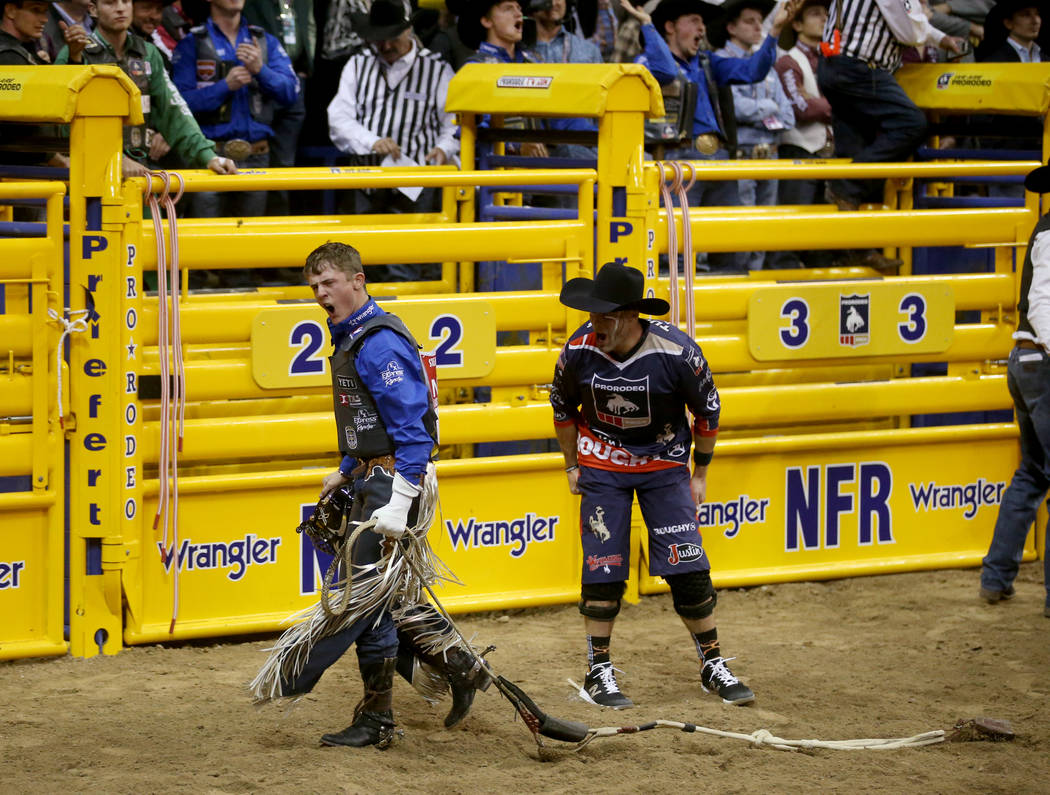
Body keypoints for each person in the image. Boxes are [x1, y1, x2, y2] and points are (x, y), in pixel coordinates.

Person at [250, 242, 492, 746]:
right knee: (385, 596)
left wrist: (398, 501)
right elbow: (374, 419)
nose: (320, 294)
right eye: (314, 286)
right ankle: (462, 669)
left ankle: (380, 717)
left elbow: (413, 431)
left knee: (366, 601)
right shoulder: (358, 337)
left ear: (357, 280)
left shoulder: (376, 343)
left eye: (329, 283)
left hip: (392, 483)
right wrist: (346, 469)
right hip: (375, 476)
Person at [550, 261, 754, 708]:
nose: (595, 323)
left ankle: (712, 664)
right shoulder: (578, 350)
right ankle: (598, 672)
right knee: (603, 569)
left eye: (605, 316)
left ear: (629, 317)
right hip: (602, 466)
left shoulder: (677, 353)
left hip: (665, 465)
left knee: (689, 566)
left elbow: (707, 414)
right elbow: (562, 408)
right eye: (591, 314)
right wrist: (571, 465)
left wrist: (700, 472)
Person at [622, 0, 796, 272]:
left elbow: (753, 71)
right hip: (675, 161)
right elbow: (667, 72)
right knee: (678, 245)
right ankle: (677, 308)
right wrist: (647, 26)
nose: (702, 28)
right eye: (693, 20)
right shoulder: (646, 62)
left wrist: (774, 31)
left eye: (702, 22)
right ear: (670, 26)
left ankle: (726, 304)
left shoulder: (707, 62)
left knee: (729, 242)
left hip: (718, 162)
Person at [327, 0, 458, 281]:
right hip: (366, 180)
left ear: (408, 31)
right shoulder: (358, 63)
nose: (385, 46)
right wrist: (371, 141)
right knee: (360, 267)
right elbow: (338, 118)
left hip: (416, 183)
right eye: (378, 39)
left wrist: (443, 148)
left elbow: (454, 125)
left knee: (408, 266)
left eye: (392, 38)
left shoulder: (437, 70)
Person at [979, 162, 1050, 620]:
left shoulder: (1044, 232)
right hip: (1041, 363)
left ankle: (997, 577)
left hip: (1027, 361)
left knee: (1034, 471)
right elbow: (1043, 304)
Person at [57, 0, 237, 178]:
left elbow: (173, 109)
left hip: (139, 168)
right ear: (93, 10)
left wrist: (208, 156)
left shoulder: (148, 53)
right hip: (89, 172)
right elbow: (62, 122)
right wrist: (112, 158)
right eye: (110, 3)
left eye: (125, 2)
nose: (120, 9)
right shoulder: (76, 52)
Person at [817, 0, 963, 213]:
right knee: (911, 124)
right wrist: (938, 37)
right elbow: (909, 32)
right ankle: (847, 184)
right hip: (860, 68)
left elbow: (906, 21)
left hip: (836, 66)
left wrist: (942, 38)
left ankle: (849, 239)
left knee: (856, 149)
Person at [172, 0, 298, 217]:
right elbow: (178, 104)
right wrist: (224, 87)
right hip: (210, 156)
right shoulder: (192, 42)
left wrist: (261, 70)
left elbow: (291, 94)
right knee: (206, 238)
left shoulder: (265, 41)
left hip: (257, 155)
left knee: (250, 240)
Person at [711, 0, 794, 270]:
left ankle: (755, 276)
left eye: (760, 21)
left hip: (769, 156)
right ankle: (737, 278)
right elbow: (732, 109)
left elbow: (788, 116)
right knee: (741, 221)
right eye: (750, 21)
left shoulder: (766, 63)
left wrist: (758, 112)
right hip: (739, 156)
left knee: (765, 222)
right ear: (731, 27)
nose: (758, 26)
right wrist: (769, 109)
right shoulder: (720, 61)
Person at [769, 0, 835, 269]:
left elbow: (814, 104)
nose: (824, 19)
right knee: (793, 227)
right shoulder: (788, 61)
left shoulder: (830, 59)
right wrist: (838, 105)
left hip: (828, 153)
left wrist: (820, 103)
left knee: (823, 232)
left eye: (826, 14)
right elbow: (802, 108)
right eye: (816, 14)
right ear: (796, 24)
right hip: (800, 151)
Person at [244, 0, 315, 215]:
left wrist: (306, 64)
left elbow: (309, 26)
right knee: (252, 160)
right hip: (254, 80)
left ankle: (278, 227)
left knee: (284, 166)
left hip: (292, 79)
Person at [976, 0, 1041, 61]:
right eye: (1026, 15)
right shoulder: (995, 60)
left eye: (1037, 14)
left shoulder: (1044, 56)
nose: (1035, 21)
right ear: (1008, 23)